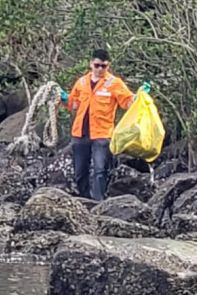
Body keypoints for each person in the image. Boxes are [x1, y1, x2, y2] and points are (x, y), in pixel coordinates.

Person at [59, 49, 148, 201]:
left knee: (100, 170)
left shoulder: (114, 83)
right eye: (97, 65)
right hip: (80, 133)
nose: (100, 69)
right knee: (80, 171)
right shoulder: (81, 82)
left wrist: (139, 97)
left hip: (102, 134)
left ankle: (98, 201)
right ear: (91, 64)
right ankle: (84, 199)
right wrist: (63, 98)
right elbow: (74, 104)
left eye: (104, 66)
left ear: (108, 66)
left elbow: (126, 102)